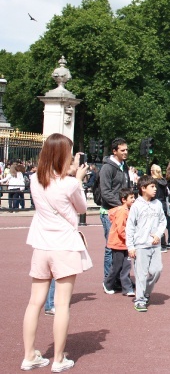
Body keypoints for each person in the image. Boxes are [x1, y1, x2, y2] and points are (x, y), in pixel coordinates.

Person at [21, 133, 89, 372]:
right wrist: (77, 179)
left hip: (41, 244)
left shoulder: (34, 180)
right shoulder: (69, 183)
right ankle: (58, 359)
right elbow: (82, 208)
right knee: (61, 304)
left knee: (34, 302)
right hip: (64, 245)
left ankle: (29, 355)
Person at [126, 175, 167, 312]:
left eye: (155, 186)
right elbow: (130, 227)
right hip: (141, 245)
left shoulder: (158, 204)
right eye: (152, 186)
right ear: (143, 188)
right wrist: (130, 246)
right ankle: (140, 300)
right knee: (141, 274)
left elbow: (163, 221)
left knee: (157, 270)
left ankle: (146, 292)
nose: (155, 189)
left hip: (155, 245)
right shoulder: (136, 206)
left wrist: (158, 234)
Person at [99, 138, 131, 282]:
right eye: (122, 150)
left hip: (122, 211)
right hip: (109, 212)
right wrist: (121, 205)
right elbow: (105, 192)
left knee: (122, 246)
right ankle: (109, 280)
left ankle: (120, 278)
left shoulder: (124, 166)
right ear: (114, 151)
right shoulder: (107, 168)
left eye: (126, 150)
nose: (126, 152)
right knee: (110, 246)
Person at [103, 188, 136, 296]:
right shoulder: (122, 211)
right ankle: (107, 284)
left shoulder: (127, 210)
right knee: (117, 266)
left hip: (124, 244)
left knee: (126, 266)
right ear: (123, 199)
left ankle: (127, 288)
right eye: (131, 197)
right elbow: (120, 229)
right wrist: (129, 239)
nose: (134, 199)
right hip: (118, 244)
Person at [150, 165, 170, 252]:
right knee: (161, 224)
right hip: (163, 203)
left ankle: (159, 243)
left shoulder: (152, 182)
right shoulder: (164, 181)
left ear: (152, 171)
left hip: (155, 203)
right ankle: (163, 244)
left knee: (154, 224)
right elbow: (167, 193)